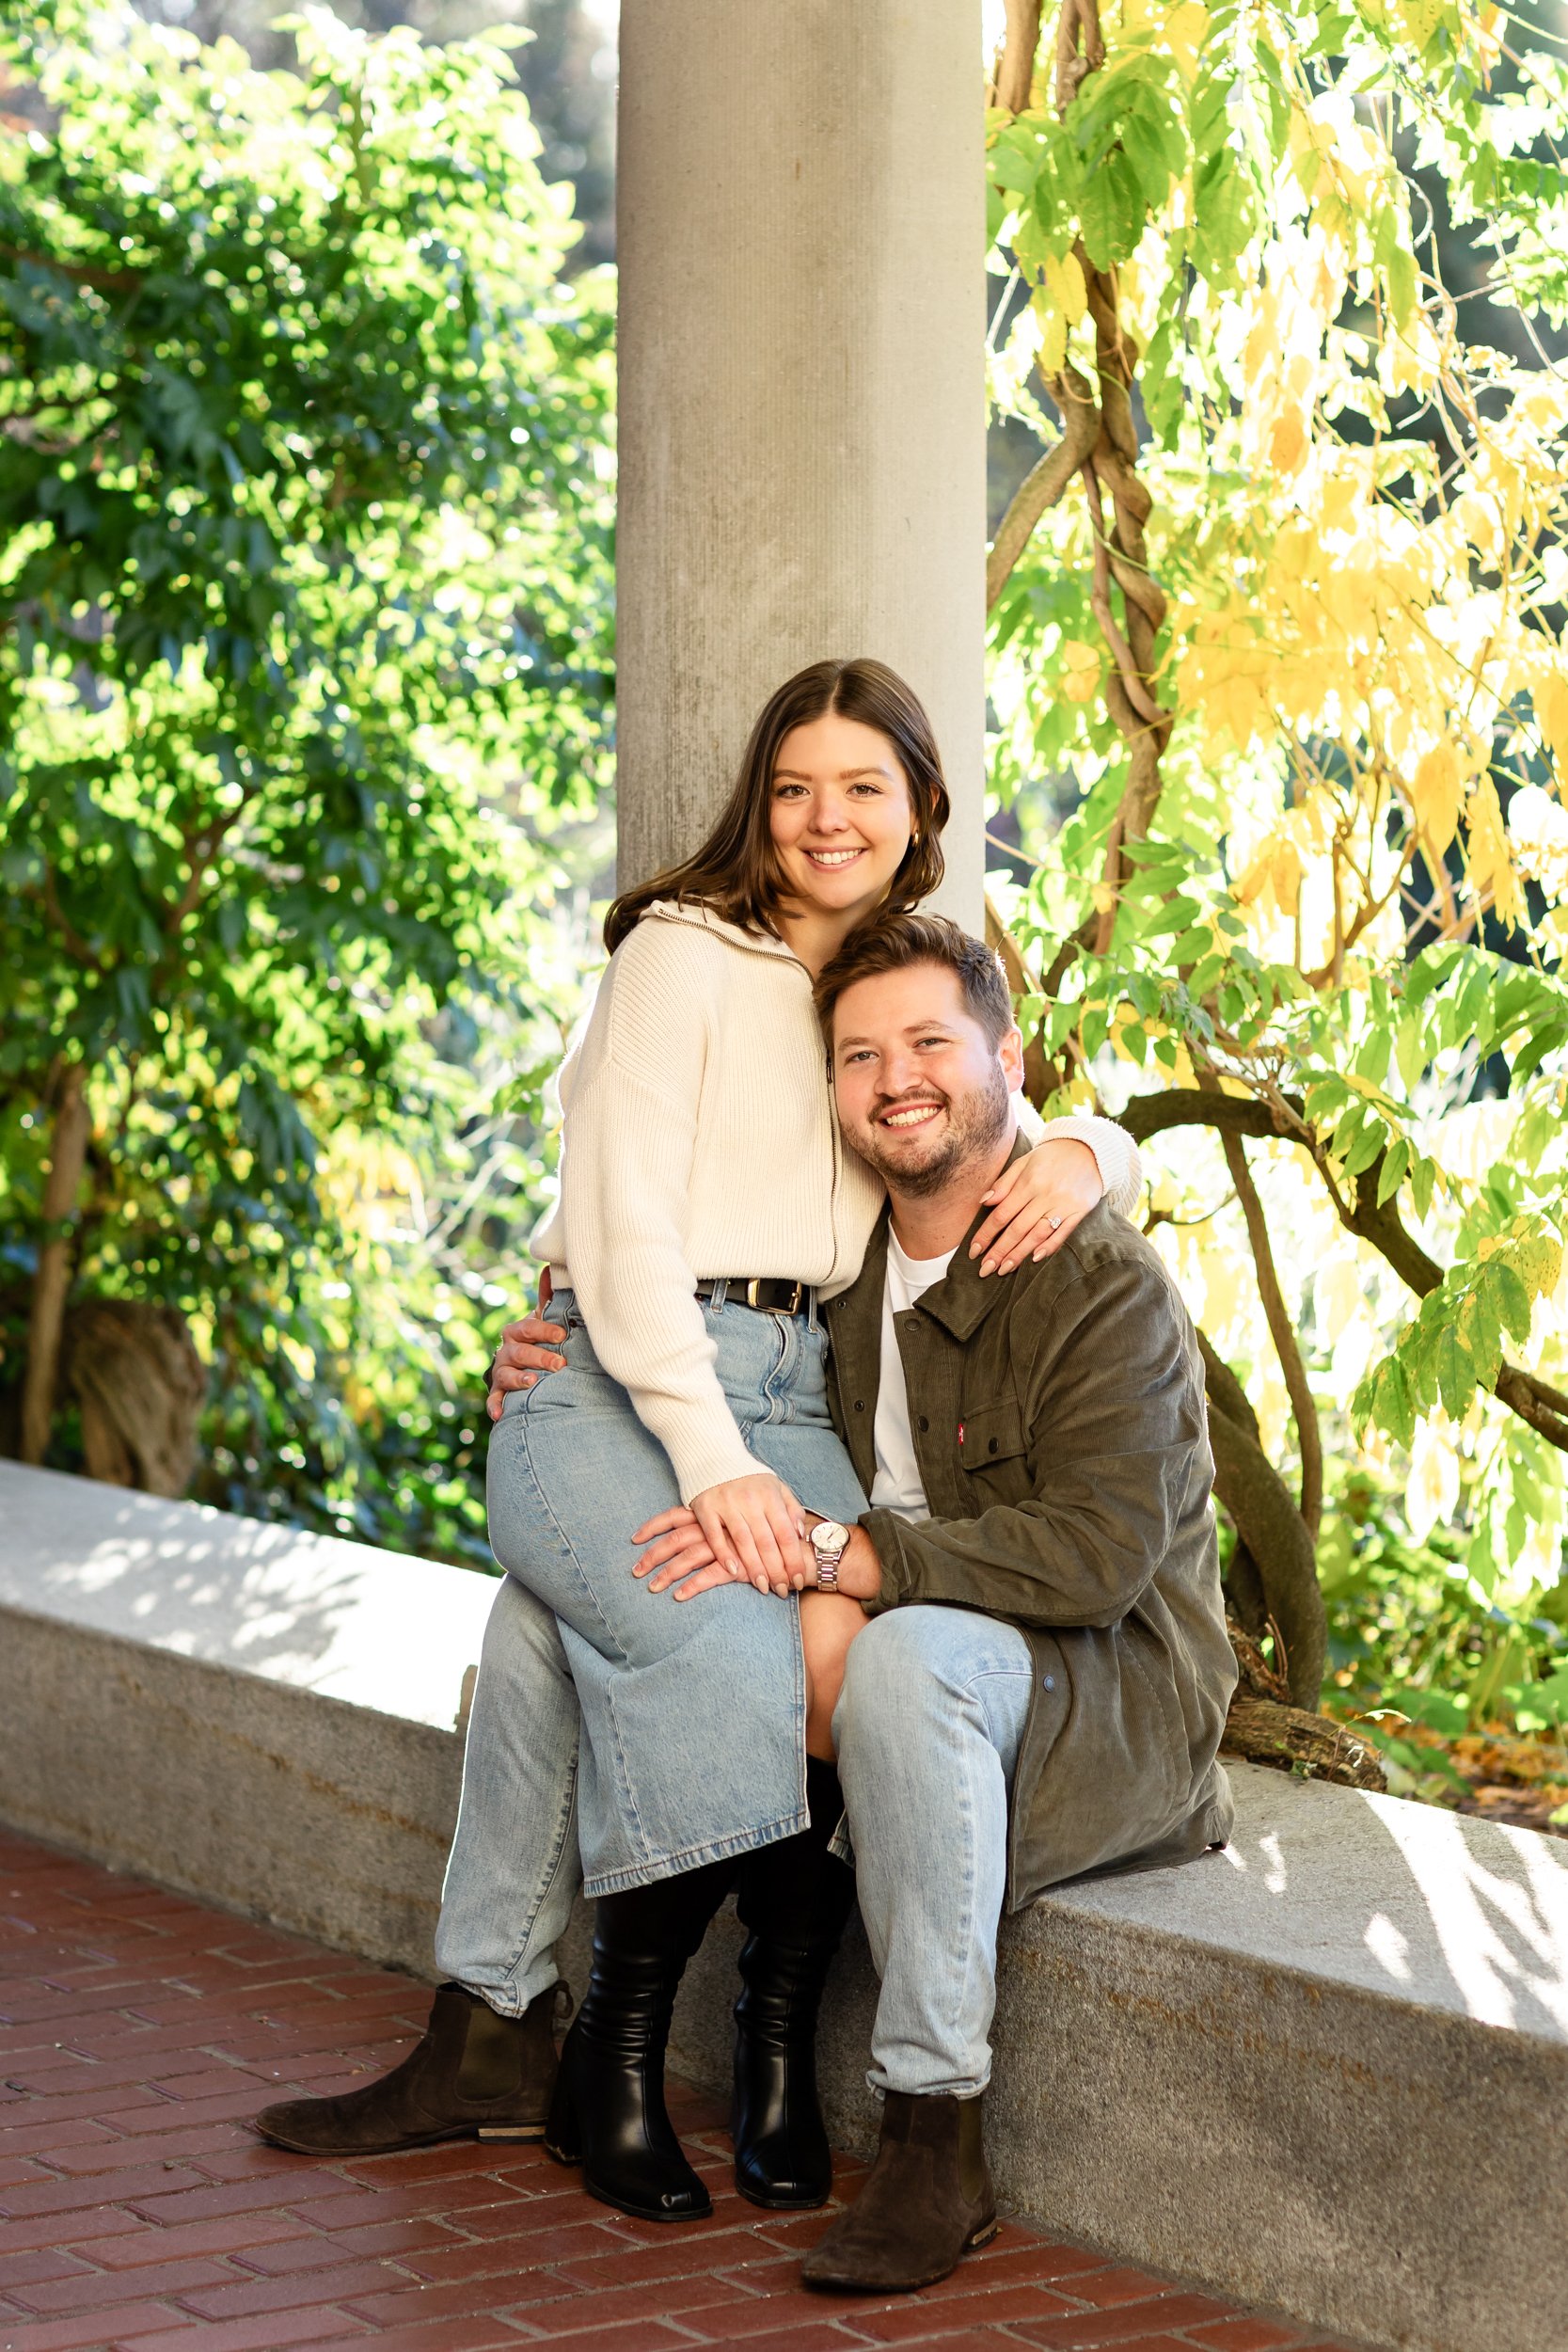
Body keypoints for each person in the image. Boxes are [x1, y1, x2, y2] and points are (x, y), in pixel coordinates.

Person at [254, 658, 1142, 2226]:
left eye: (865, 786)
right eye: (795, 784)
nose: (825, 817)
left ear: (924, 809)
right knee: (743, 1661)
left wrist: (1094, 1146)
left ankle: (524, 2030)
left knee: (672, 1637)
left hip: (795, 1386)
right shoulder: (683, 949)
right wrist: (707, 1453)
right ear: (757, 798)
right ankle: (619, 2047)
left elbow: (995, 1093)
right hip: (615, 1378)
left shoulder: (885, 978)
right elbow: (624, 1223)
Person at [627, 912, 1237, 2293]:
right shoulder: (839, 1277)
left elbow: (1093, 1557)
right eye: (859, 1055)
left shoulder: (1099, 1282)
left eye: (928, 1043)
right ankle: (577, 2024)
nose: (896, 1078)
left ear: (1006, 1058)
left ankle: (931, 2133)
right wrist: (555, 1326)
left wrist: (855, 1559)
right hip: (930, 1655)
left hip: (1110, 1684)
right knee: (717, 1617)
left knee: (894, 1661)